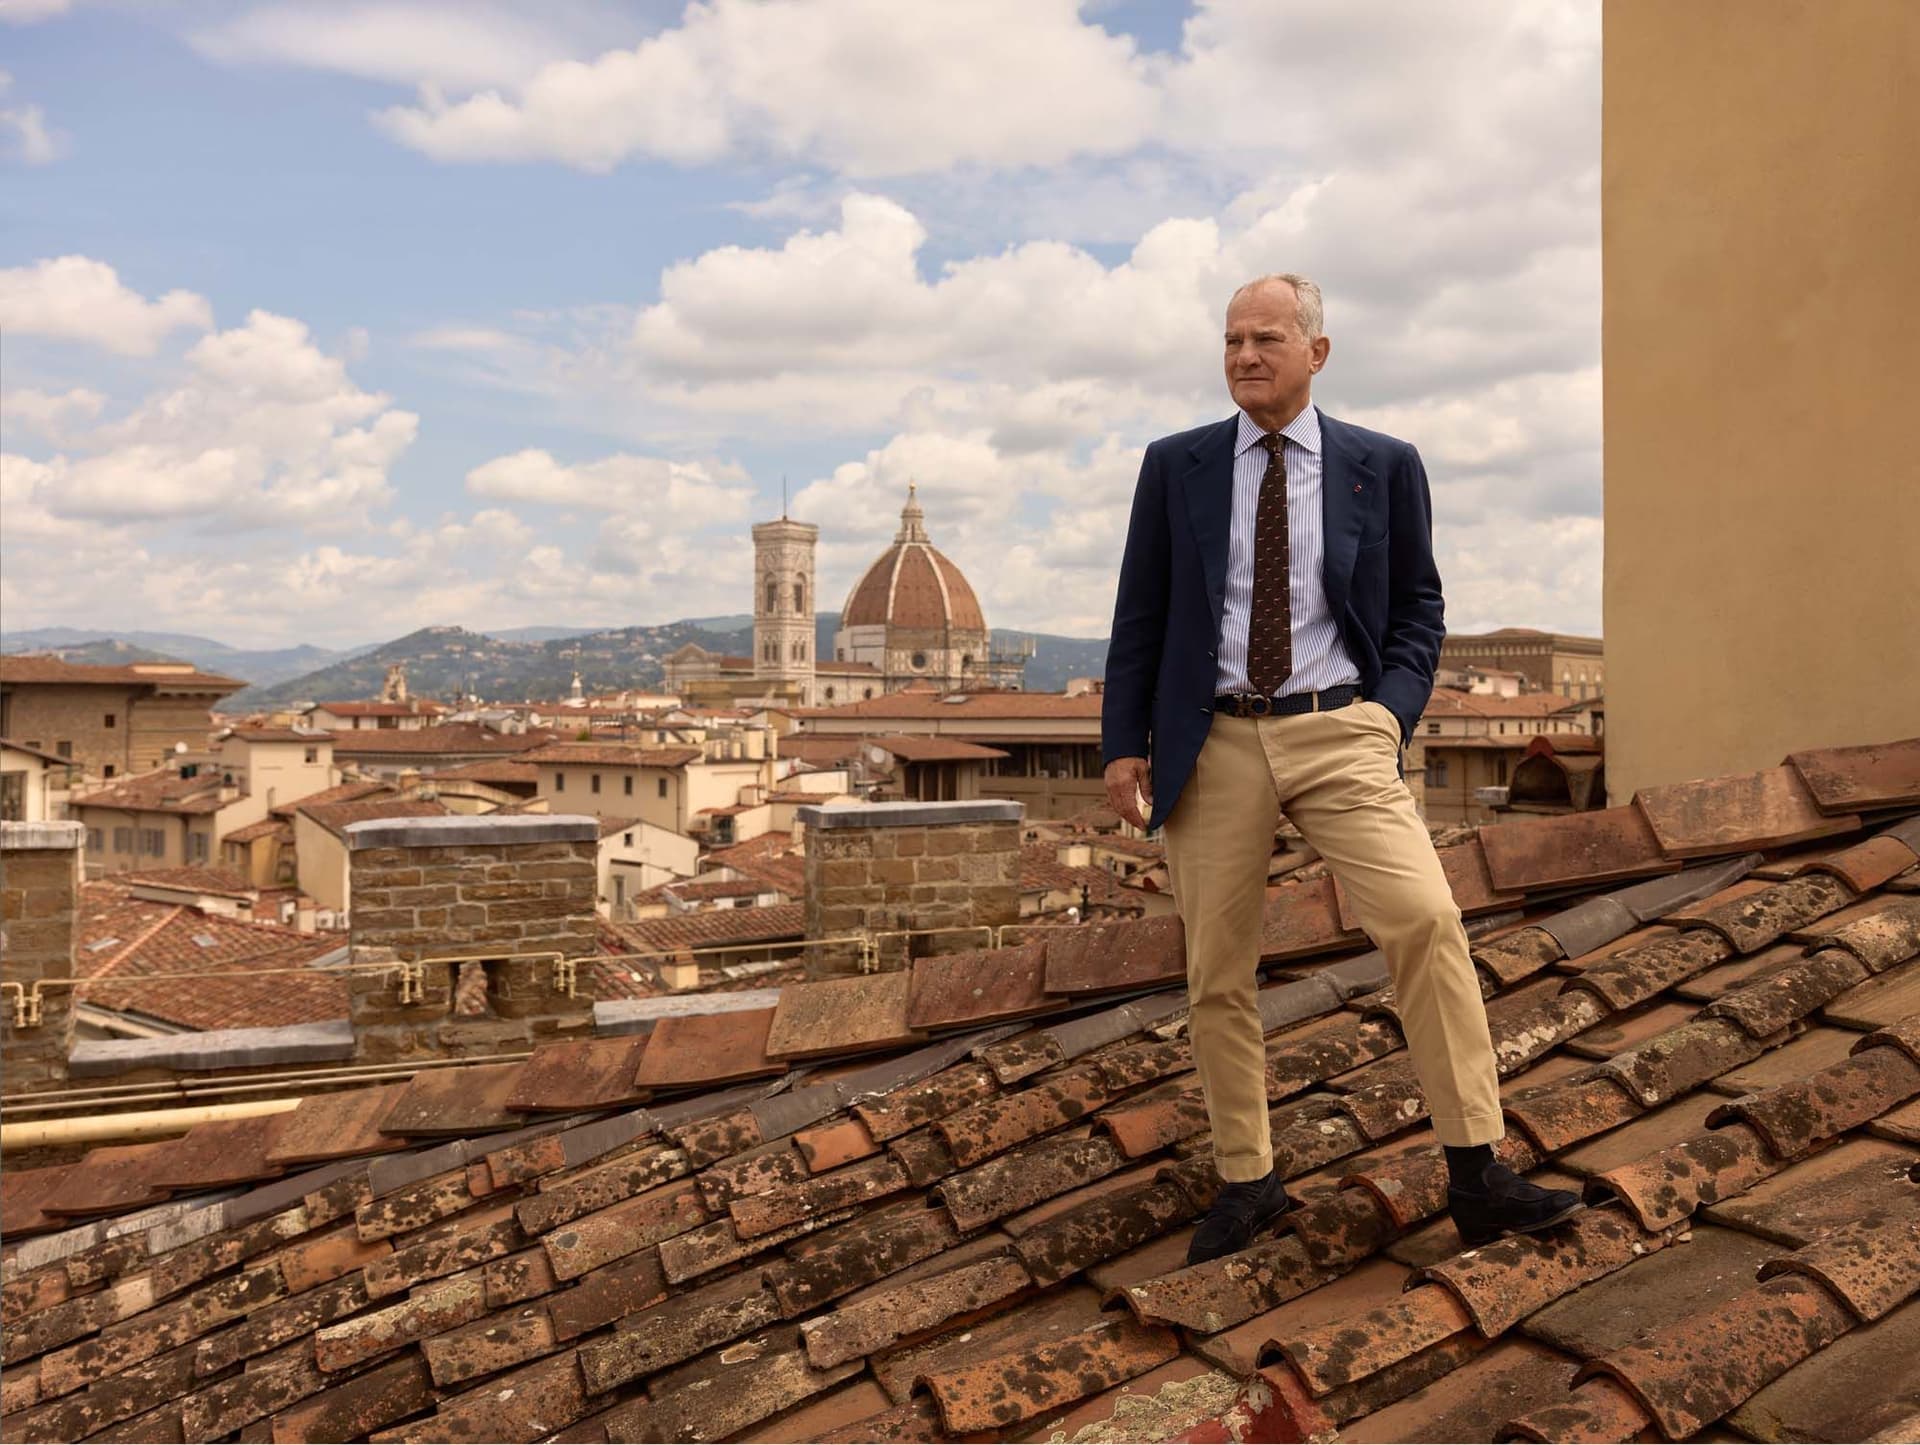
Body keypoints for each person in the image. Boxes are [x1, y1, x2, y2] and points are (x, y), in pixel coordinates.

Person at [1101, 273, 1581, 1265]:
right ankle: (1250, 1177)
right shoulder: (1175, 465)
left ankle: (1476, 1168)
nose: (1243, 356)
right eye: (1231, 340)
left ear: (1316, 352)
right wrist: (1121, 742)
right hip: (1215, 736)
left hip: (1339, 732)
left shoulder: (1383, 464)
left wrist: (1387, 717)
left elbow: (1419, 607)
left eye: (1265, 338)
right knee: (1218, 970)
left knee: (1427, 919)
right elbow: (1139, 611)